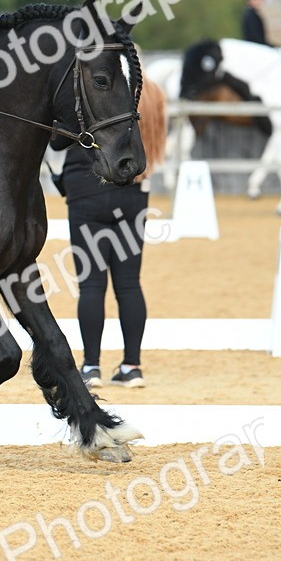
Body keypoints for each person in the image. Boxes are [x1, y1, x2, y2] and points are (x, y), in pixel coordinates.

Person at [58, 75, 166, 388]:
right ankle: (132, 366)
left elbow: (57, 141)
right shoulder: (152, 94)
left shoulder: (91, 91)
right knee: (130, 284)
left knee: (91, 285)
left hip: (87, 190)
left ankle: (92, 366)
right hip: (133, 192)